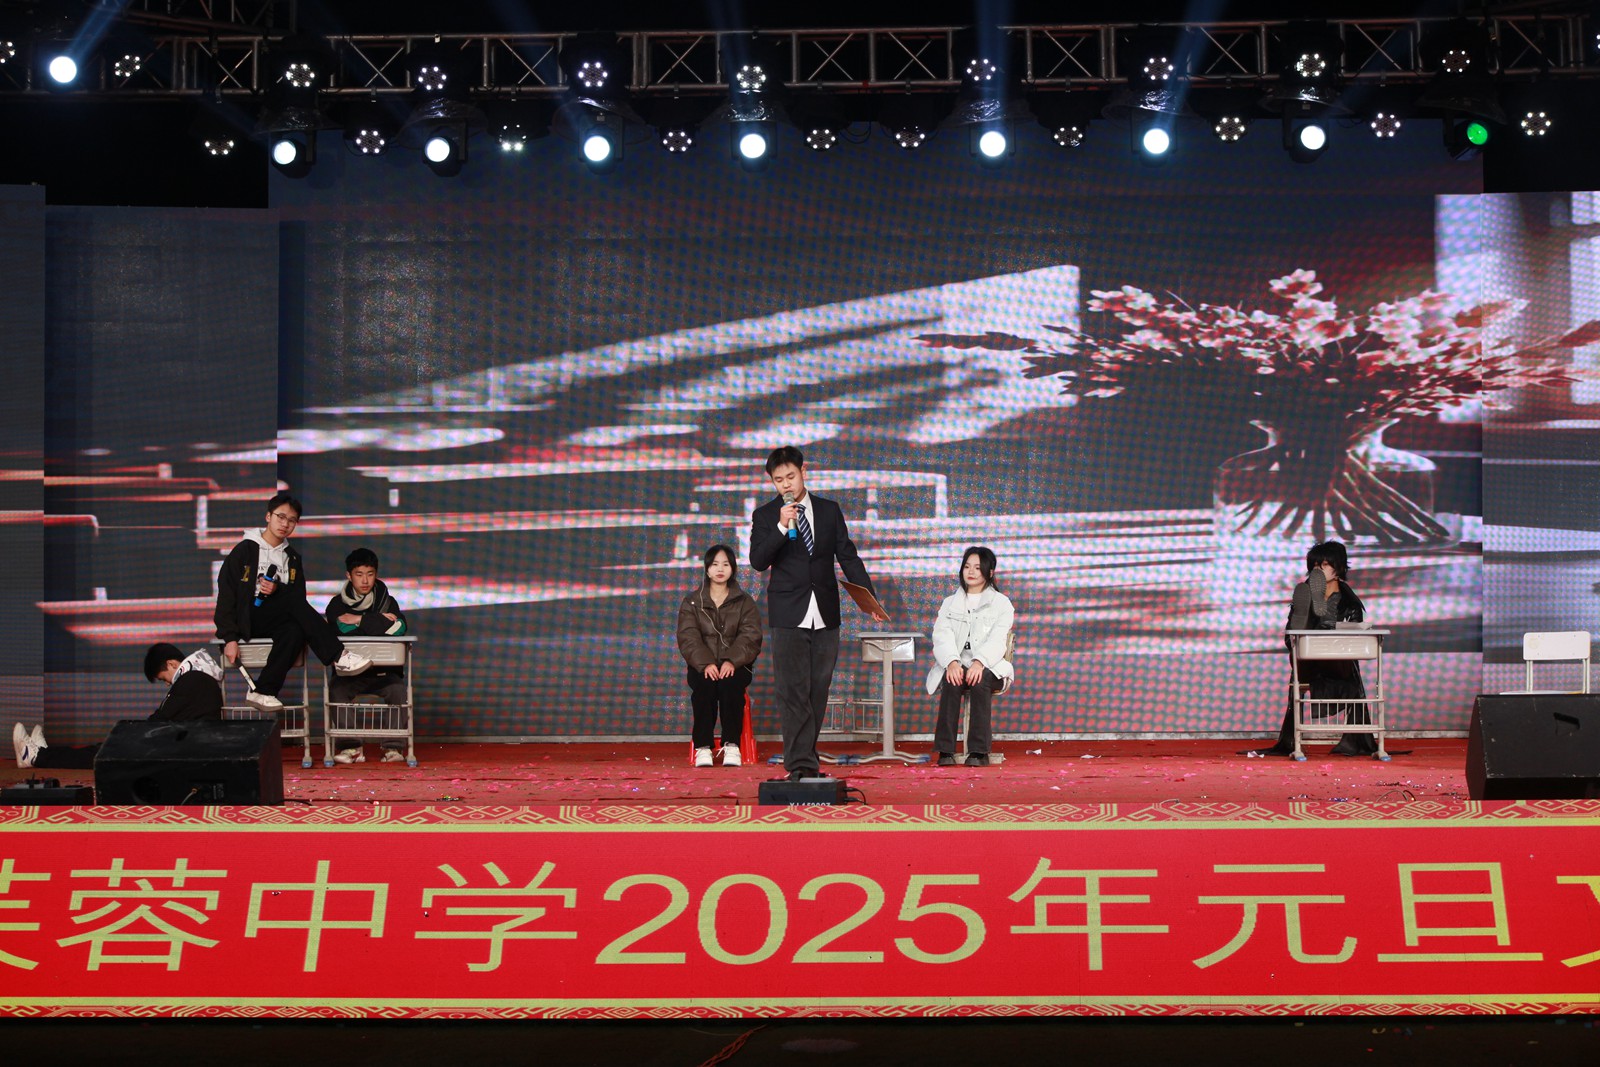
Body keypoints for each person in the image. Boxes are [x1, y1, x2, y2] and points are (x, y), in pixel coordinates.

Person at [750, 445, 888, 781]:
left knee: (817, 689)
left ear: (803, 472)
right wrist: (782, 527)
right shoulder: (766, 516)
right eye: (779, 480)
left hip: (825, 611)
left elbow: (848, 556)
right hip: (788, 613)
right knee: (792, 691)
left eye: (791, 476)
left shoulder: (828, 510)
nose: (786, 484)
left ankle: (805, 759)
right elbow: (758, 561)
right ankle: (800, 765)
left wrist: (868, 598)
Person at [215, 492, 369, 710]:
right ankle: (338, 655)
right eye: (281, 517)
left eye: (292, 520)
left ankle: (263, 691)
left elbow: (299, 600)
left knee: (295, 630)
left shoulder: (292, 556)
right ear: (268, 516)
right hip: (248, 618)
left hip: (275, 620)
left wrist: (277, 588)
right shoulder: (245, 550)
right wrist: (229, 637)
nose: (285, 524)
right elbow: (226, 592)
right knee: (290, 600)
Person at [1254, 541, 1377, 757]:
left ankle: (1324, 627)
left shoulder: (1350, 603)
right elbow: (1289, 639)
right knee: (1302, 646)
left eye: (1324, 565)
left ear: (1339, 568)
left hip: (1339, 663)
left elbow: (1355, 641)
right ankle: (1316, 625)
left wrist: (1338, 635)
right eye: (1315, 566)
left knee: (1340, 652)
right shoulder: (1303, 595)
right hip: (1308, 662)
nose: (1318, 570)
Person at [13, 643, 223, 768]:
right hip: (179, 745)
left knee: (102, 751)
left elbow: (159, 721)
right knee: (102, 748)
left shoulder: (190, 680)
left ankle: (36, 757)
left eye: (163, 678)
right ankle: (43, 753)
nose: (167, 684)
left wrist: (128, 733)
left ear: (172, 664)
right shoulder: (202, 679)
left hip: (170, 750)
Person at [927, 546, 1015, 767]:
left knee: (980, 679)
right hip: (958, 664)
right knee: (952, 678)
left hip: (991, 666)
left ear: (990, 572)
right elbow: (942, 635)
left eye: (978, 567)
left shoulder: (1002, 603)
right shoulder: (949, 603)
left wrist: (980, 662)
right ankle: (945, 751)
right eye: (967, 567)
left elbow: (998, 640)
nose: (971, 572)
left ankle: (979, 751)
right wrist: (951, 661)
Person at [676, 544, 763, 768]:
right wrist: (705, 664)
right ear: (707, 569)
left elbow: (750, 636)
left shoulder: (745, 602)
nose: (720, 569)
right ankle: (703, 747)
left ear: (733, 569)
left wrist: (731, 661)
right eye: (715, 564)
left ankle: (732, 745)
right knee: (704, 687)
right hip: (702, 666)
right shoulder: (692, 602)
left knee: (729, 686)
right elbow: (688, 637)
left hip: (736, 666)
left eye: (725, 564)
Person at [322, 547, 410, 765]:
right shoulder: (336, 604)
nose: (365, 580)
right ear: (349, 575)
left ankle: (392, 748)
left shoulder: (388, 601)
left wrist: (359, 620)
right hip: (349, 674)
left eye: (370, 574)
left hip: (384, 672)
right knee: (336, 690)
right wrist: (380, 621)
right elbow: (342, 629)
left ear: (376, 574)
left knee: (398, 690)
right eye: (359, 574)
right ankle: (351, 747)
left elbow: (399, 628)